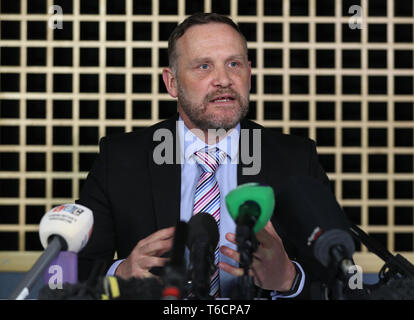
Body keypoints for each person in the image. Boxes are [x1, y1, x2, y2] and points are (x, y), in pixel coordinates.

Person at [77, 12, 331, 299]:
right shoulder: (120, 159)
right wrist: (120, 275)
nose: (223, 80)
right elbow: (68, 273)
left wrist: (290, 278)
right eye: (204, 66)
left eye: (233, 64)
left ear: (249, 74)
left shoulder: (297, 159)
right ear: (172, 82)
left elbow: (337, 276)